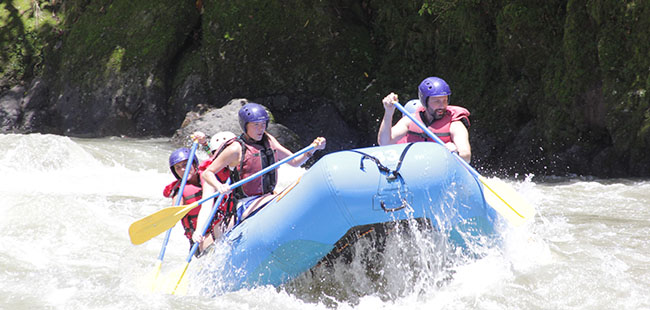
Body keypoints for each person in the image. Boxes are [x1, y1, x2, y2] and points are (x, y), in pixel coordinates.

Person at [193, 102, 326, 248]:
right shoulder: (236, 148)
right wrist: (219, 186)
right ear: (245, 126)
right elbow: (207, 173)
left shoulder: (268, 141)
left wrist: (313, 149)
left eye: (263, 124)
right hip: (246, 203)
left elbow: (294, 161)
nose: (261, 128)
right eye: (256, 125)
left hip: (267, 196)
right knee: (276, 199)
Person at [377, 76, 472, 162]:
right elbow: (385, 143)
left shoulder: (454, 124)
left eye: (445, 100)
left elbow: (466, 156)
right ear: (425, 102)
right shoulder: (411, 120)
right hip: (415, 168)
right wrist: (389, 112)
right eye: (436, 101)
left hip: (441, 169)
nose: (442, 106)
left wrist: (456, 152)